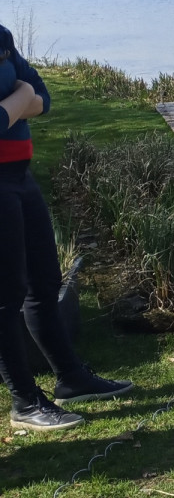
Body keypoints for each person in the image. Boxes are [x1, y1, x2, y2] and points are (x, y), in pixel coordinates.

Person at [0, 22, 133, 431]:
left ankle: (71, 379)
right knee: (5, 295)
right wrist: (21, 96)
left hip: (19, 175)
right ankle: (25, 402)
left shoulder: (1, 38)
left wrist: (19, 101)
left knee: (44, 281)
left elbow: (44, 96)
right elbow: (27, 95)